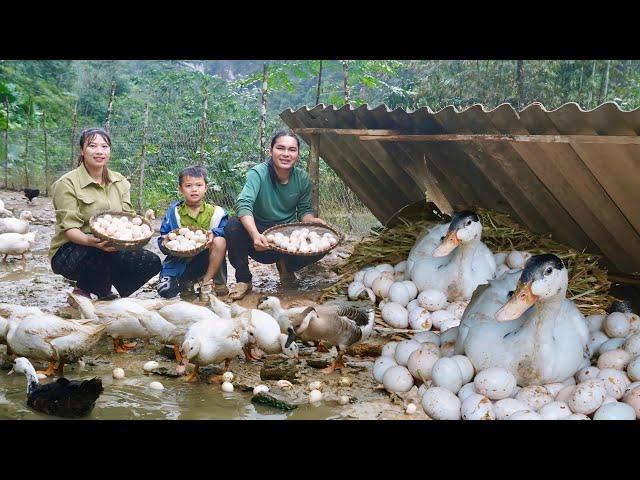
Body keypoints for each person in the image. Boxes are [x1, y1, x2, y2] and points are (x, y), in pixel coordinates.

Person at [50, 127, 161, 300]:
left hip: (110, 247)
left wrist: (142, 223)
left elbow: (126, 220)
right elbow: (70, 229)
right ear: (82, 150)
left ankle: (103, 288)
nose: (99, 151)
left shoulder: (120, 181)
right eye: (92, 146)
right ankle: (82, 291)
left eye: (104, 146)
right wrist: (91, 241)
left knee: (150, 262)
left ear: (109, 150)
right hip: (70, 251)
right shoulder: (67, 184)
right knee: (101, 250)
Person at [226, 130, 327, 300]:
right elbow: (243, 204)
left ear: (297, 154)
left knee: (321, 240)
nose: (286, 154)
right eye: (281, 148)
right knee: (233, 226)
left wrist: (311, 221)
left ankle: (286, 267)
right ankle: (243, 279)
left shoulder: (302, 178)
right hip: (260, 236)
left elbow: (304, 211)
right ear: (270, 151)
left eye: (292, 149)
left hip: (286, 236)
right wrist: (255, 234)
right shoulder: (258, 173)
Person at [156, 165, 228, 301]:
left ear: (206, 187)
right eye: (188, 185)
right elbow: (163, 239)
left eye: (199, 185)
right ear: (180, 189)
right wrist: (166, 243)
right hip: (181, 261)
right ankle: (186, 284)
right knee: (165, 291)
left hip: (208, 258)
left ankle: (207, 282)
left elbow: (226, 231)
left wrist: (214, 233)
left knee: (220, 240)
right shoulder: (174, 213)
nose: (194, 189)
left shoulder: (217, 213)